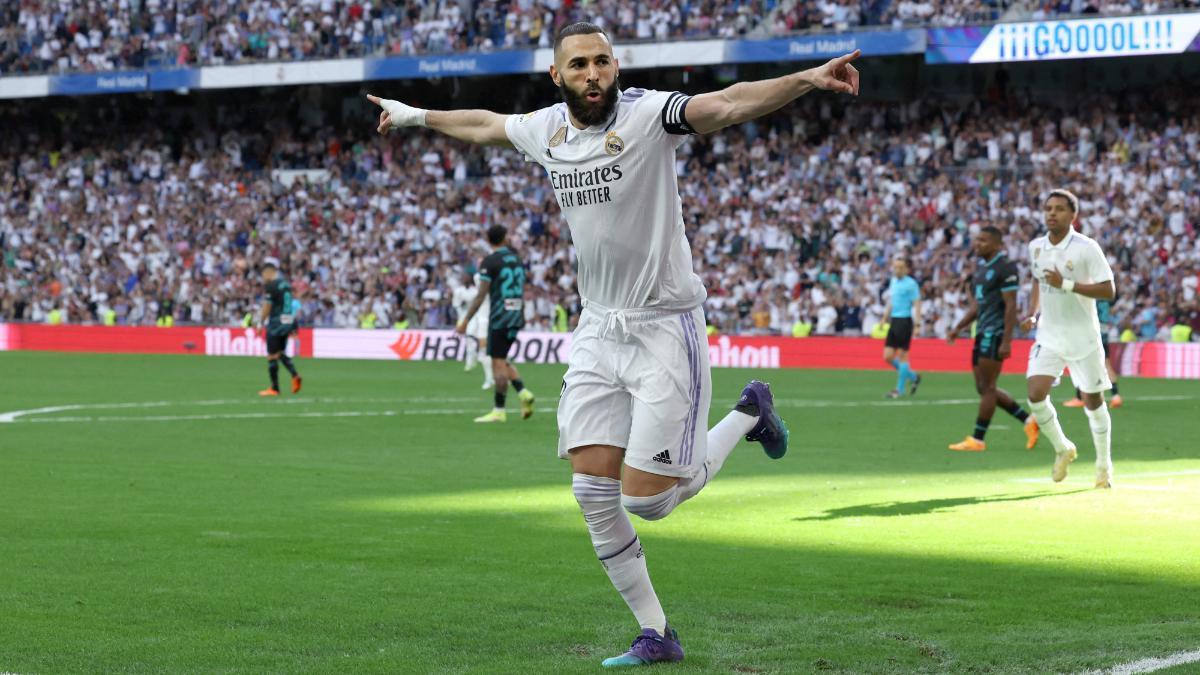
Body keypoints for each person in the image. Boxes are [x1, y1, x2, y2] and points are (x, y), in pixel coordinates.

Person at [368, 21, 857, 667]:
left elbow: (729, 103)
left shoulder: (651, 114)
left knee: (648, 500)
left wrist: (805, 78)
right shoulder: (546, 130)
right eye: (579, 65)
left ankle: (748, 412)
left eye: (601, 62)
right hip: (599, 328)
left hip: (664, 325)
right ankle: (657, 633)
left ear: (616, 65)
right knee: (592, 494)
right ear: (558, 76)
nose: (593, 74)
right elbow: (485, 123)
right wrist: (415, 115)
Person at [1020, 190, 1116, 488]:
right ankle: (1063, 448)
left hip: (1083, 338)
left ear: (1072, 215)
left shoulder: (1087, 248)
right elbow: (1038, 281)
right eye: (1048, 208)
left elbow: (1108, 290)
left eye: (1059, 209)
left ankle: (1103, 466)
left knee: (1093, 401)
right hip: (1048, 334)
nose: (1052, 213)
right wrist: (1034, 314)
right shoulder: (1035, 247)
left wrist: (1068, 284)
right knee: (1035, 394)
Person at [945, 226, 1039, 452]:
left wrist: (1007, 340)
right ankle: (1029, 421)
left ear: (997, 244)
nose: (978, 244)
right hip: (981, 332)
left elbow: (1010, 306)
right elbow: (979, 304)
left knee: (988, 387)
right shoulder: (982, 269)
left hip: (995, 334)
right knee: (983, 387)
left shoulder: (1005, 267)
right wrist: (959, 327)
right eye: (977, 240)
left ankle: (978, 439)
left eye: (984, 241)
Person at [455, 225, 535, 423]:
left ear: (488, 240)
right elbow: (520, 289)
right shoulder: (517, 259)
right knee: (502, 358)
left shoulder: (490, 262)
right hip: (516, 314)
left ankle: (499, 410)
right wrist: (522, 313)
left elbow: (481, 295)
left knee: (497, 364)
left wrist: (465, 320)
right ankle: (523, 393)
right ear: (505, 238)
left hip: (500, 317)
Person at [1064, 296, 1121, 408]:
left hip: (1090, 330)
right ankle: (1116, 396)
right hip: (1103, 330)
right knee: (1106, 363)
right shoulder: (1104, 294)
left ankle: (1079, 397)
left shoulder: (1090, 294)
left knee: (1079, 361)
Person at [258, 258, 302, 396]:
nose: (263, 278)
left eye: (263, 274)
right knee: (279, 353)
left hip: (276, 323)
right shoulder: (286, 285)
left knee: (271, 356)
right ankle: (294, 375)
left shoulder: (272, 286)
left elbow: (267, 306)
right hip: (287, 321)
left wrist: (261, 322)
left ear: (268, 272)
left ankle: (274, 388)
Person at [882, 257, 922, 398]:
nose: (897, 270)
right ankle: (913, 376)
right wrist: (884, 317)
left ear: (906, 269)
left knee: (903, 356)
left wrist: (917, 324)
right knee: (887, 356)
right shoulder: (893, 281)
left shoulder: (911, 284)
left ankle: (899, 390)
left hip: (905, 321)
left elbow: (917, 304)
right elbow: (892, 301)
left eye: (900, 267)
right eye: (895, 267)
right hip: (894, 321)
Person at [451, 268, 495, 390]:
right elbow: (457, 305)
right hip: (472, 317)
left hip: (482, 318)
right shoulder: (461, 290)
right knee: (481, 348)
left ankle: (494, 377)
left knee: (488, 351)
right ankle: (474, 365)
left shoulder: (481, 291)